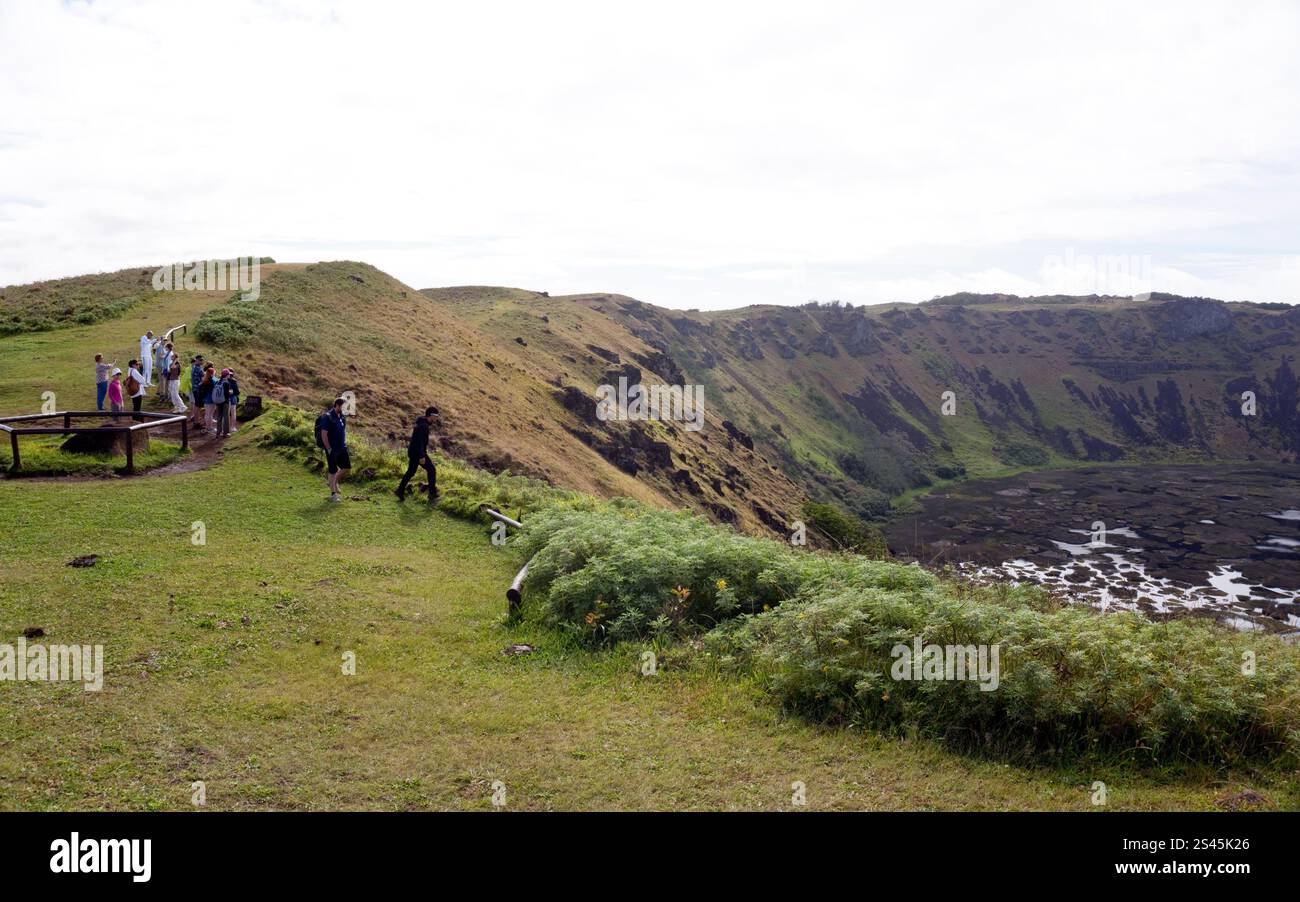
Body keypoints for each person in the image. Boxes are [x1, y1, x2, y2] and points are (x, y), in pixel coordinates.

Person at [396, 406, 440, 504]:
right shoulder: (423, 426)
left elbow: (417, 441)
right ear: (431, 416)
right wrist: (421, 456)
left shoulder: (421, 423)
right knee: (431, 470)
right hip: (417, 453)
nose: (436, 419)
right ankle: (432, 494)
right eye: (436, 416)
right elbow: (419, 442)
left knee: (411, 471)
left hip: (413, 451)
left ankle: (400, 490)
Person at [318, 397, 350, 503]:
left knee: (346, 467)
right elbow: (324, 434)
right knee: (332, 470)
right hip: (332, 448)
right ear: (337, 405)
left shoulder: (341, 416)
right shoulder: (328, 417)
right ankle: (333, 494)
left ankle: (333, 482)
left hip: (342, 447)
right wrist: (328, 448)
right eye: (343, 406)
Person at [212, 368, 231, 437]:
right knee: (226, 416)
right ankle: (225, 433)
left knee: (219, 416)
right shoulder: (226, 383)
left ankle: (218, 432)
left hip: (218, 401)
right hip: (225, 401)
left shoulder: (217, 382)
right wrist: (230, 393)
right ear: (227, 375)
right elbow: (227, 394)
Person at [224, 369, 240, 433]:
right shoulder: (233, 381)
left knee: (226, 414)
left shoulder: (223, 381)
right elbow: (237, 392)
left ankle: (225, 428)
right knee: (233, 413)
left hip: (225, 399)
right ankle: (232, 427)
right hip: (233, 399)